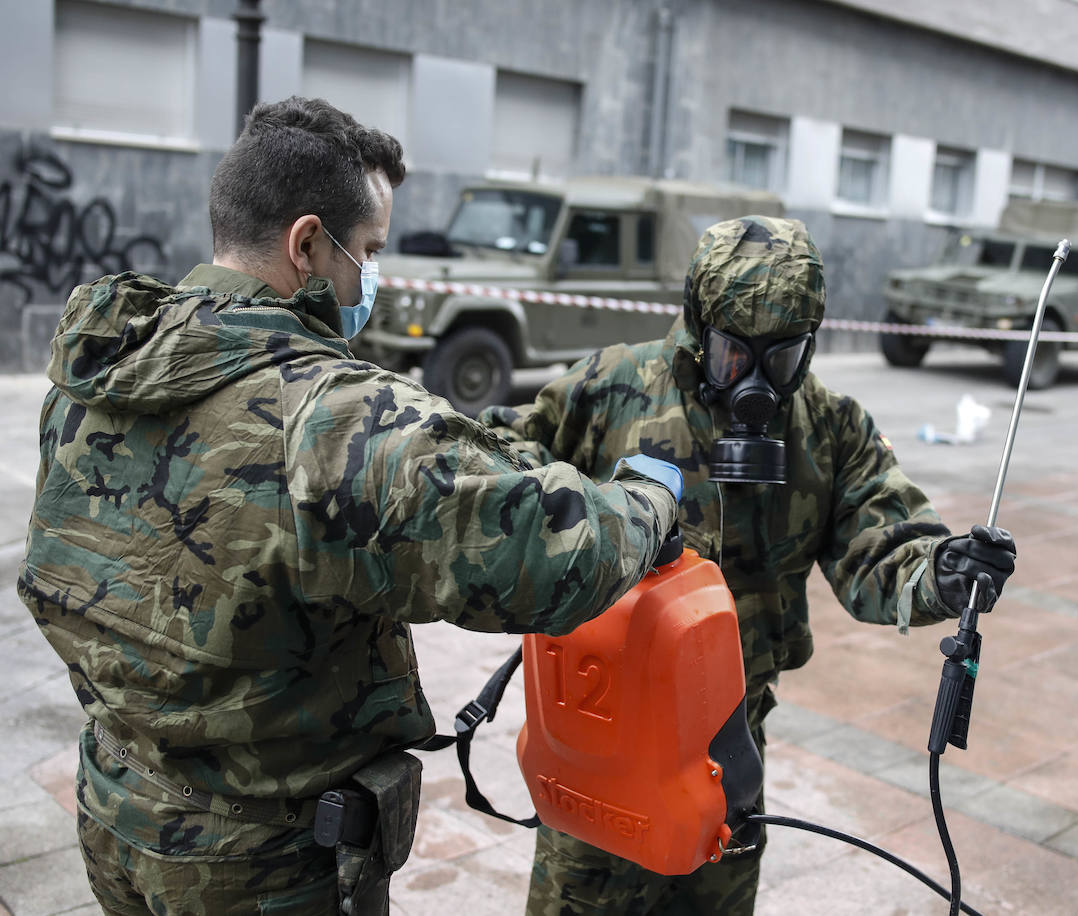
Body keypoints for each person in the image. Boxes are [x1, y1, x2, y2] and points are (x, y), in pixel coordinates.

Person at [17, 96, 684, 915]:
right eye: (368, 250)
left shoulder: (99, 366)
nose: (372, 275)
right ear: (306, 244)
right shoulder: (333, 420)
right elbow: (552, 559)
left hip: (117, 808)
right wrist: (648, 499)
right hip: (262, 867)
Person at [479, 215, 1017, 915]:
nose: (757, 382)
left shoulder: (829, 427)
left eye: (782, 359)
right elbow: (497, 464)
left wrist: (942, 570)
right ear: (698, 329)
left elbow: (880, 548)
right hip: (603, 731)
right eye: (735, 356)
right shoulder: (612, 387)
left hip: (730, 740)